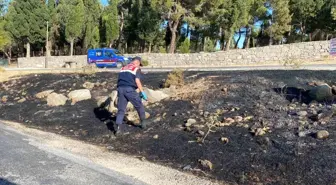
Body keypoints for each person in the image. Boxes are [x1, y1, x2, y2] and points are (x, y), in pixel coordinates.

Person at [114, 57, 148, 135]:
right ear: (138, 63)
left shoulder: (123, 68)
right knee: (139, 106)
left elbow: (121, 79)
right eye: (140, 65)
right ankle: (143, 125)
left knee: (121, 110)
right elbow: (137, 81)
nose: (140, 67)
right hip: (129, 90)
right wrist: (142, 92)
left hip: (120, 89)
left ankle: (118, 129)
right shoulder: (136, 69)